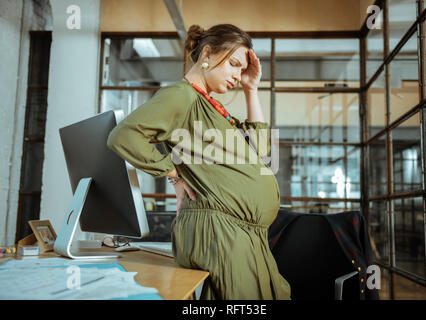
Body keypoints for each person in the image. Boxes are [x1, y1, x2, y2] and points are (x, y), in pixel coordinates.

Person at [107, 24, 291, 300]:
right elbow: (123, 137)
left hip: (243, 236)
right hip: (221, 232)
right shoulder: (182, 96)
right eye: (233, 64)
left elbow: (261, 150)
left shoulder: (212, 107)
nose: (237, 76)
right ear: (207, 53)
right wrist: (175, 174)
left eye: (241, 70)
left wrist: (252, 89)